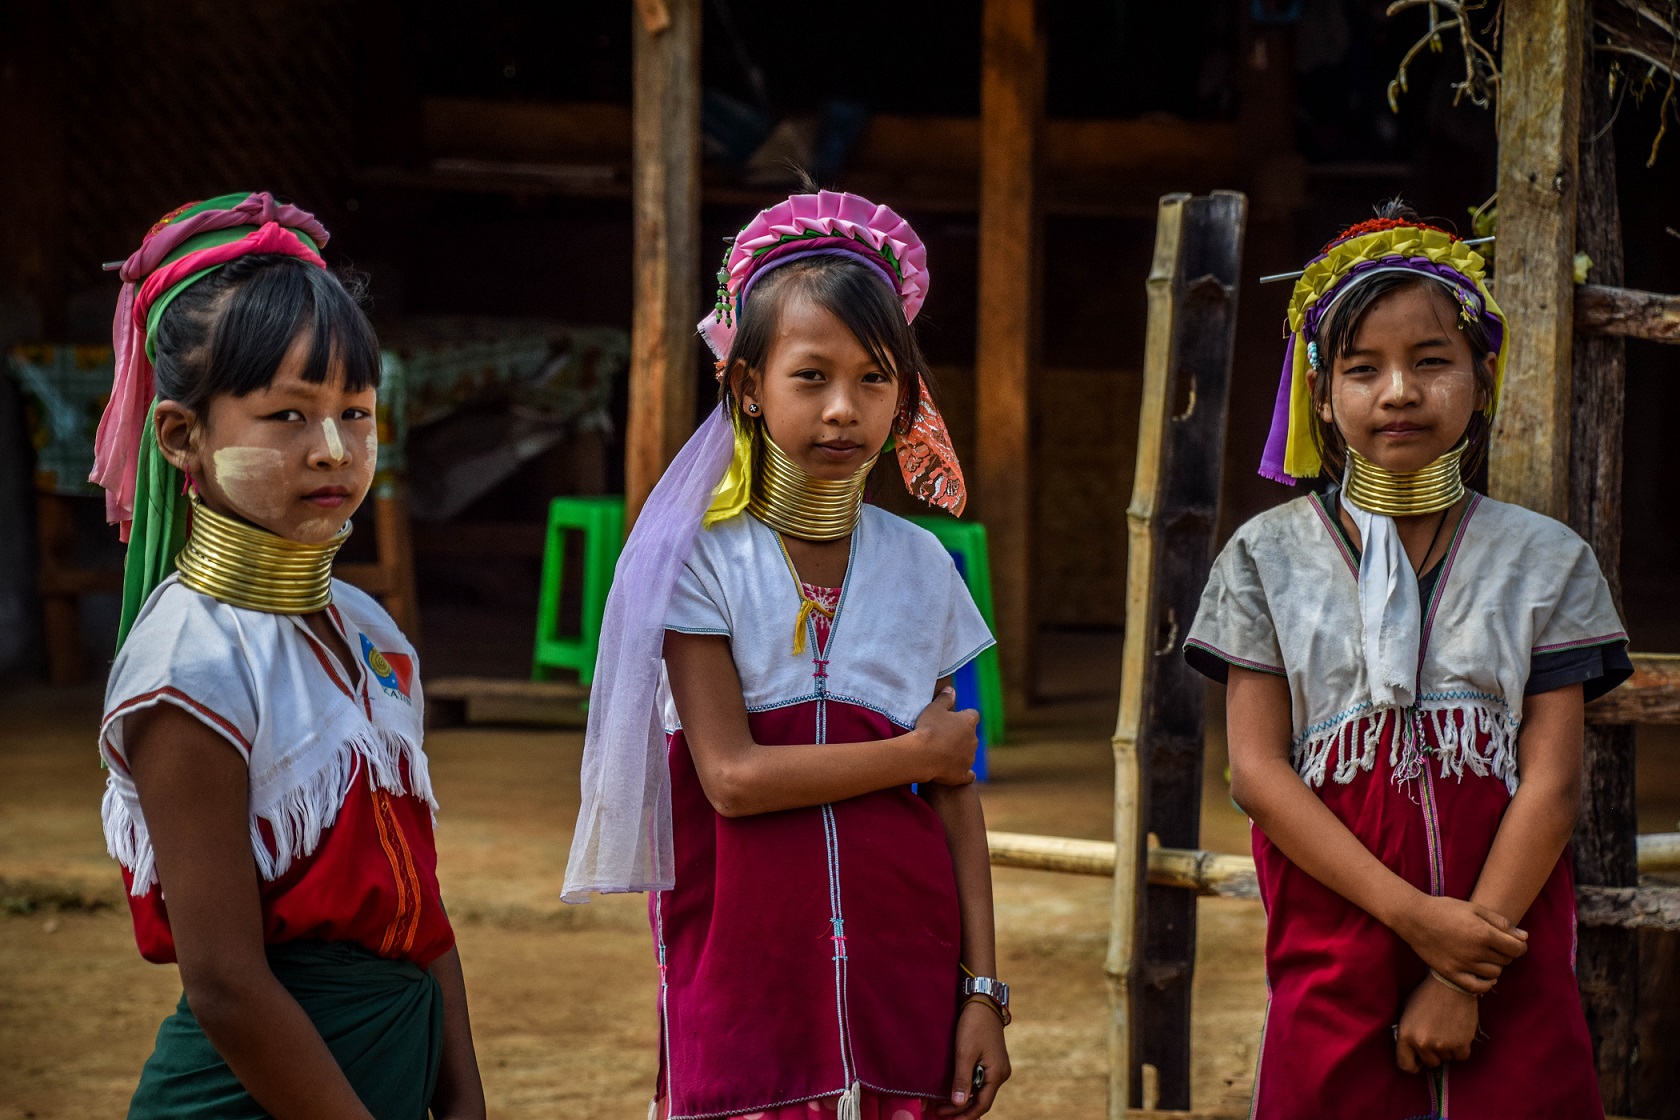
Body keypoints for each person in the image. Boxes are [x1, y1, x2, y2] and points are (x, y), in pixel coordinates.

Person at [563, 191, 1012, 1120]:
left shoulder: (922, 566)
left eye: (875, 379)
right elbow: (728, 777)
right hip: (742, 982)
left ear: (906, 396)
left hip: (906, 978)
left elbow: (956, 802)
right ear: (748, 388)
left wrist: (983, 992)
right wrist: (914, 759)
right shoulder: (699, 563)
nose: (845, 410)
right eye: (811, 377)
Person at [1185, 203, 1632, 1119]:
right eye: (1363, 368)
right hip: (1337, 938)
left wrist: (1463, 969)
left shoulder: (1545, 562)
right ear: (1320, 394)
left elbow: (1551, 785)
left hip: (1504, 943)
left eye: (1432, 361)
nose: (1399, 391)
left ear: (1483, 377)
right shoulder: (1264, 561)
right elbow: (1258, 773)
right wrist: (1415, 919)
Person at [91, 193, 485, 1120]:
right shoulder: (188, 666)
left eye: (355, 413)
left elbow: (423, 913)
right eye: (288, 416)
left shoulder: (370, 635)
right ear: (183, 437)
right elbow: (225, 979)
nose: (333, 451)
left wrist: (464, 1104)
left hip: (391, 1061)